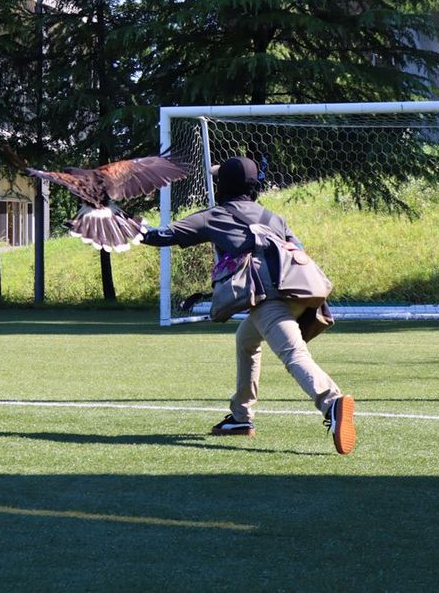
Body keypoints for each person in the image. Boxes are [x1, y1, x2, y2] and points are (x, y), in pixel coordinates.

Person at [142, 156, 356, 455]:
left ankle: (331, 403)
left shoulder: (215, 216)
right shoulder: (273, 218)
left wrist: (129, 227)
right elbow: (298, 251)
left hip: (268, 301)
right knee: (246, 340)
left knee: (294, 354)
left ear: (222, 185)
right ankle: (241, 417)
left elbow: (161, 236)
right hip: (299, 296)